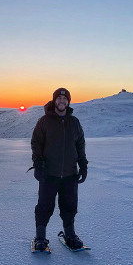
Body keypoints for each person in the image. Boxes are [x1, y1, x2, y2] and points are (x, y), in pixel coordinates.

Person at [30, 88, 88, 251]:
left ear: (68, 102)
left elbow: (80, 144)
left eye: (65, 99)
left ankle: (70, 235)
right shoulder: (44, 121)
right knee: (44, 206)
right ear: (54, 101)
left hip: (70, 173)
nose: (62, 101)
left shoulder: (74, 122)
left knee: (69, 206)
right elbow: (36, 143)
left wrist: (83, 164)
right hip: (49, 173)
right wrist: (38, 163)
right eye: (59, 98)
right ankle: (40, 237)